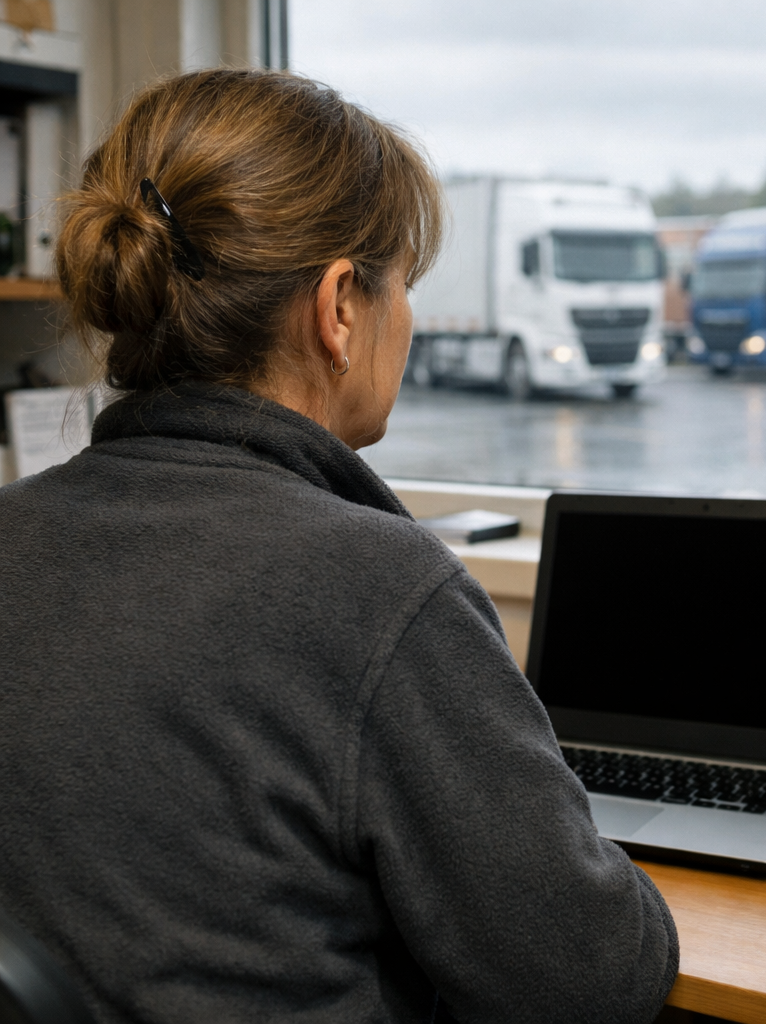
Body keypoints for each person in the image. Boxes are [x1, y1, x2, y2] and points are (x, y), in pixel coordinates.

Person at [0, 70, 678, 1024]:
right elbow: (595, 984)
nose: (407, 319)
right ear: (339, 309)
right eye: (403, 284)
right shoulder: (379, 590)